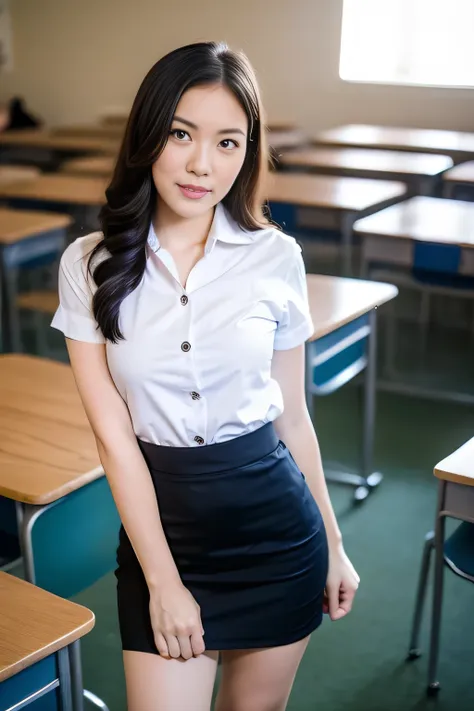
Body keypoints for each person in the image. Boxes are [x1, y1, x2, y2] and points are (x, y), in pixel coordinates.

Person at [51, 41, 359, 711]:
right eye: (181, 133)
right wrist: (162, 580)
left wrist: (334, 544)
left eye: (228, 142)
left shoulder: (276, 257)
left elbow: (292, 417)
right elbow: (114, 441)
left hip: (279, 535)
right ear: (148, 133)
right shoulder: (89, 264)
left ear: (248, 152)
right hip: (165, 535)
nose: (201, 163)